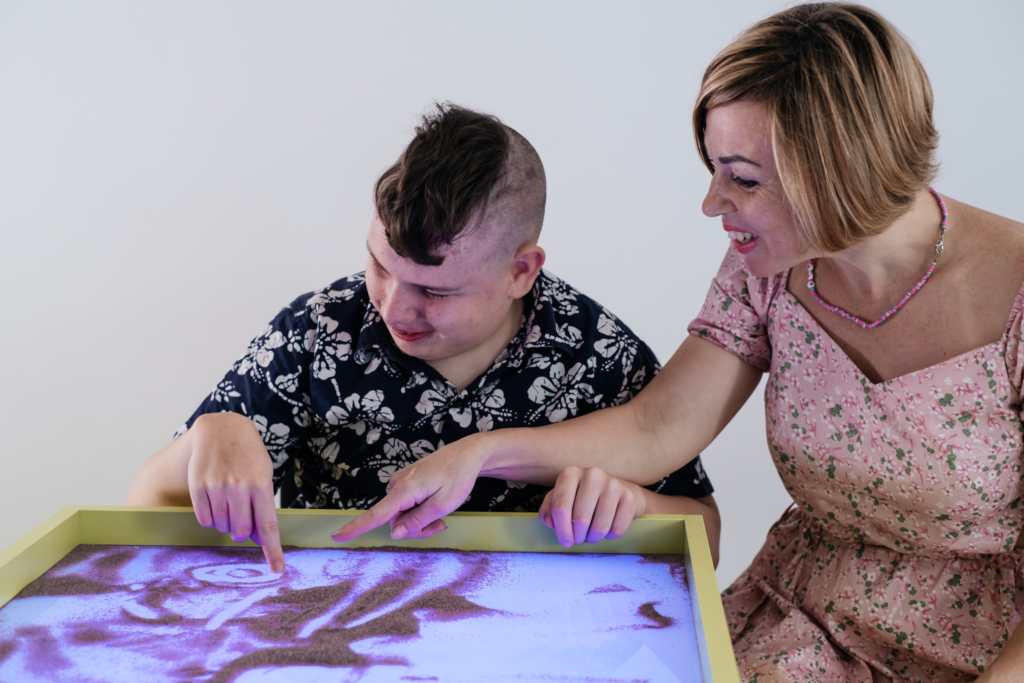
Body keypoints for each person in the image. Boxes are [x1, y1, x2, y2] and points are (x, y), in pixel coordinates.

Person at [332, 5, 1024, 681]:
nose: (711, 203)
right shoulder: (771, 266)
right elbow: (659, 427)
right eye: (714, 168)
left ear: (839, 170)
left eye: (742, 179)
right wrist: (479, 454)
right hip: (804, 624)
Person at [126, 104, 719, 575]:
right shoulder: (320, 330)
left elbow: (706, 535)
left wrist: (633, 508)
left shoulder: (599, 355)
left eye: (437, 293)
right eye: (380, 267)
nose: (394, 306)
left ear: (522, 271)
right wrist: (211, 435)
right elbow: (145, 503)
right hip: (333, 635)